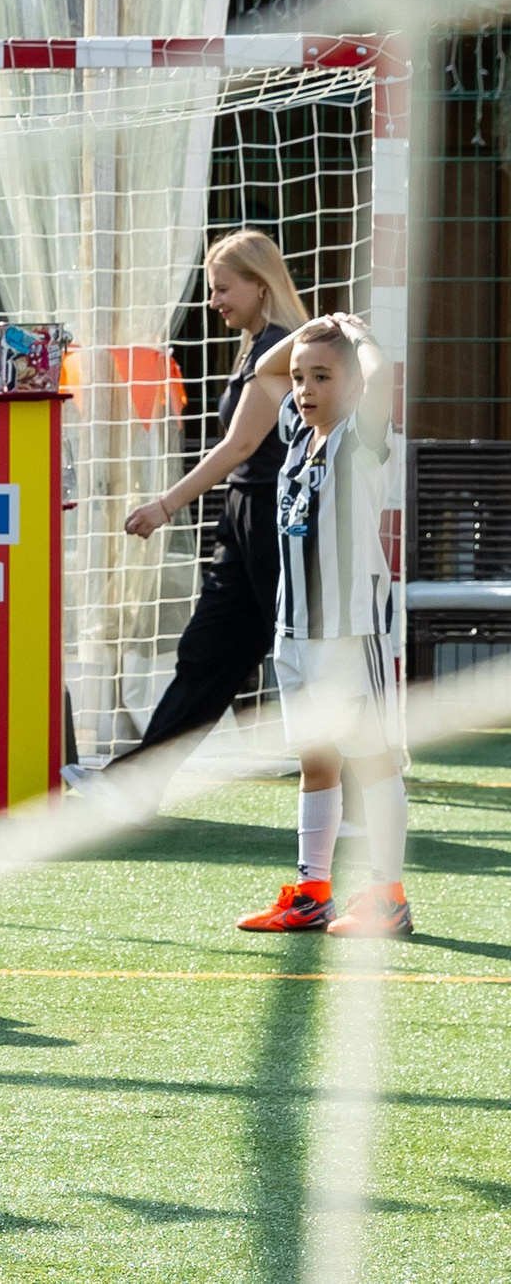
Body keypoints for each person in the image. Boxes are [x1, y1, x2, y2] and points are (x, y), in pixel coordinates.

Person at [76, 231, 308, 803]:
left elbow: (237, 447)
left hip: (272, 525)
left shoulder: (281, 351)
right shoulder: (261, 346)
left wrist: (163, 505)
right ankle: (134, 786)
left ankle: (349, 787)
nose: (213, 302)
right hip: (246, 522)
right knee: (207, 657)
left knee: (302, 662)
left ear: (260, 285)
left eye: (223, 288)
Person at [235, 314, 412, 938]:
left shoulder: (362, 436)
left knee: (373, 758)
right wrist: (310, 330)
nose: (305, 389)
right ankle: (312, 892)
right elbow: (265, 370)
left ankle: (389, 898)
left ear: (354, 383)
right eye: (303, 378)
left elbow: (381, 372)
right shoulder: (298, 435)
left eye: (322, 377)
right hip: (296, 630)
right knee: (317, 762)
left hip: (348, 629)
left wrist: (359, 332)